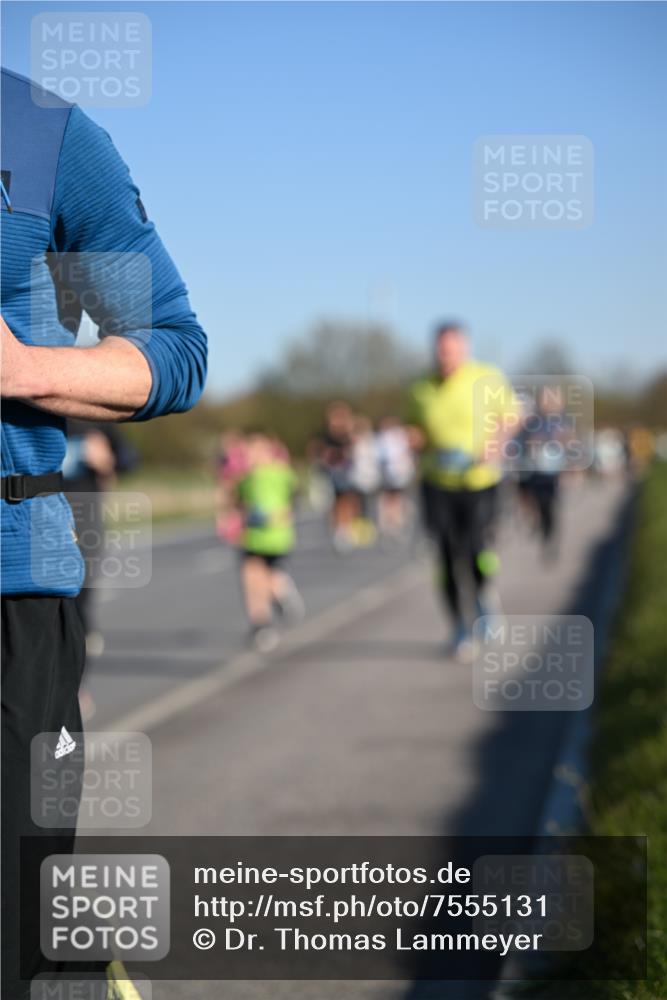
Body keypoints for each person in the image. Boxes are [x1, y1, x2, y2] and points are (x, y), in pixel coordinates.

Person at [1, 68, 207, 999]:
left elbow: (173, 346)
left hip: (11, 589)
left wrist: (26, 369)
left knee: (18, 943)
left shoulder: (41, 132)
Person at [406, 320, 520, 659]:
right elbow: (413, 429)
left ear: (465, 348)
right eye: (441, 349)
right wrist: (414, 440)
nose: (446, 356)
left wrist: (493, 446)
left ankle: (484, 596)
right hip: (437, 483)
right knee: (443, 555)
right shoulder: (419, 387)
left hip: (479, 482)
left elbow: (512, 417)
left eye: (452, 349)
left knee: (474, 549)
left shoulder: (487, 377)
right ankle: (459, 625)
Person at [235, 431, 303, 651]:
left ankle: (283, 596)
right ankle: (261, 626)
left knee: (269, 579)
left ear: (268, 450)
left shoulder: (280, 473)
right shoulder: (245, 478)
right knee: (251, 578)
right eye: (248, 451)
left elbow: (295, 497)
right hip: (252, 537)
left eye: (256, 450)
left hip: (277, 537)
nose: (251, 455)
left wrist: (283, 514)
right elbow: (239, 502)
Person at [515, 385, 570, 560]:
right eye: (545, 399)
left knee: (548, 507)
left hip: (551, 473)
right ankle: (534, 521)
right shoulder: (531, 421)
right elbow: (520, 443)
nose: (548, 403)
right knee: (529, 499)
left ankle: (549, 537)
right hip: (531, 470)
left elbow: (570, 443)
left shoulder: (563, 421)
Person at [376, 415, 415, 539]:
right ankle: (389, 523)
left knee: (396, 497)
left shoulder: (399, 436)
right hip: (388, 473)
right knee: (389, 498)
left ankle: (397, 522)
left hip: (399, 472)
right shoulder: (382, 438)